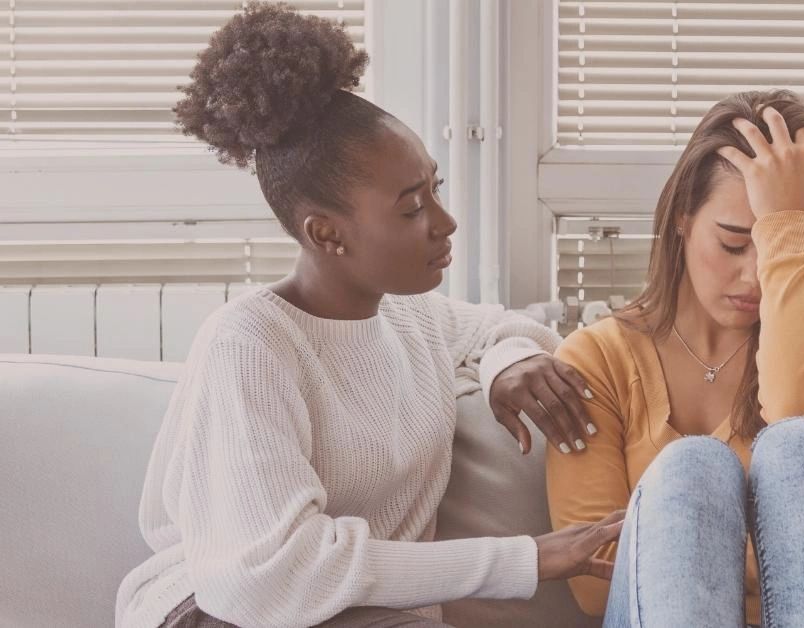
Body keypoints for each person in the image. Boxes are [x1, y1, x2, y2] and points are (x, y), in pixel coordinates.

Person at [115, 4, 620, 627]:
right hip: (222, 614)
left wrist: (509, 364)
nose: (445, 222)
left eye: (435, 189)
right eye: (411, 209)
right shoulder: (251, 343)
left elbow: (504, 329)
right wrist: (525, 559)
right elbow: (274, 580)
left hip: (363, 614)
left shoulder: (412, 320)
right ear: (326, 234)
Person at [545, 90, 804, 627]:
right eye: (735, 243)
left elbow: (802, 413)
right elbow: (598, 579)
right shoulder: (599, 359)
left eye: (783, 241)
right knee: (692, 468)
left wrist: (787, 221)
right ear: (684, 218)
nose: (755, 276)